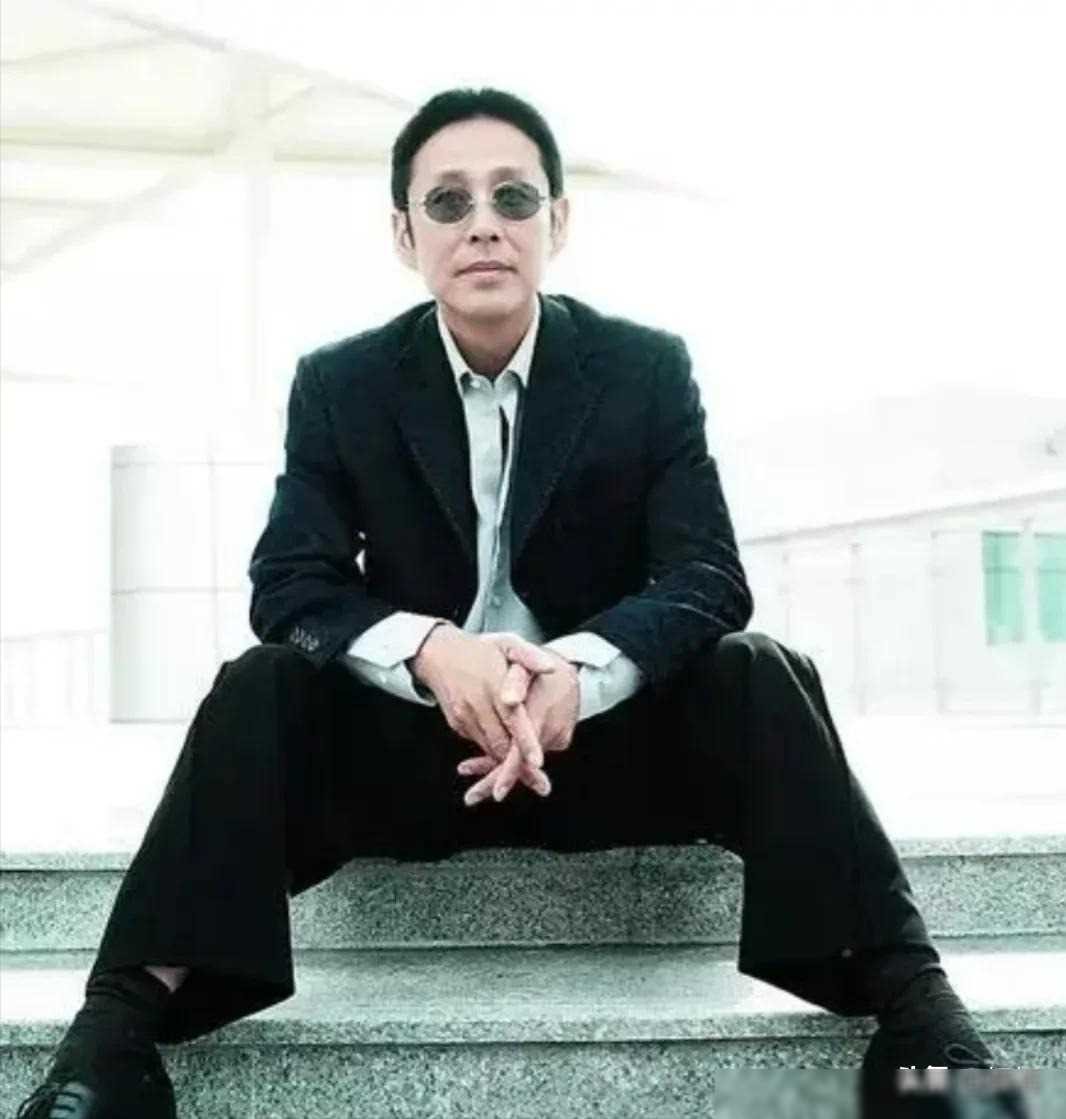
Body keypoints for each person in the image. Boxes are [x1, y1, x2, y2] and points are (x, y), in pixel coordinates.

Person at [17, 86, 1018, 1119]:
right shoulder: (342, 383)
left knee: (762, 669)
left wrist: (579, 672)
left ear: (557, 221)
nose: (484, 223)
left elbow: (706, 577)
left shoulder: (642, 368)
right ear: (405, 234)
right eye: (448, 201)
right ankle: (111, 1044)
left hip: (607, 748)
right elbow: (290, 584)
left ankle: (925, 1027)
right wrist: (432, 653)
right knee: (260, 682)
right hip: (418, 761)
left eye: (513, 196)